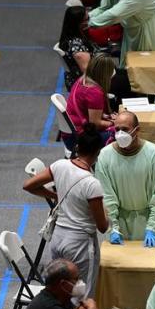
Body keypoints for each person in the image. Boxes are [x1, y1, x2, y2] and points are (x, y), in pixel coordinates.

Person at [23, 127, 109, 296]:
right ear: (97, 153)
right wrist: (107, 211)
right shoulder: (92, 184)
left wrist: (54, 195)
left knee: (58, 292)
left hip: (58, 239)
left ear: (77, 147)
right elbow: (102, 227)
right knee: (82, 296)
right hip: (80, 244)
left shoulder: (60, 165)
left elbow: (28, 185)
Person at [95, 110, 155, 246]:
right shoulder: (105, 156)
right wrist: (113, 228)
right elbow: (107, 197)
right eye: (117, 129)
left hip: (151, 224)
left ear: (137, 130)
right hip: (121, 227)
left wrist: (152, 227)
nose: (120, 134)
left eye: (125, 129)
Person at [65, 52, 117, 145]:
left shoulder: (83, 79)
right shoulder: (94, 92)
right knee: (123, 134)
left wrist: (107, 117)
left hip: (71, 132)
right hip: (80, 138)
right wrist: (115, 123)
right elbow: (95, 124)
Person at [58, 5, 93, 90]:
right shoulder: (77, 47)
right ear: (78, 23)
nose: (89, 21)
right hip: (88, 83)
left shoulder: (70, 35)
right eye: (86, 19)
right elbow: (89, 74)